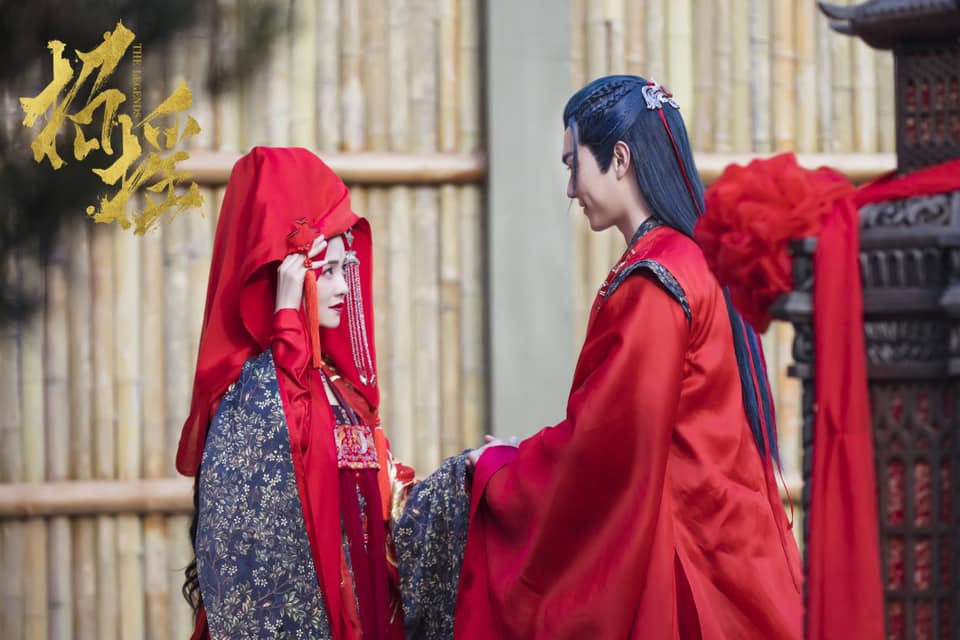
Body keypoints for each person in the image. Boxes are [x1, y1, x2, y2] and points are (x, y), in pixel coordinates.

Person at [396, 75, 803, 639]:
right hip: (726, 538)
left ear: (620, 158)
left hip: (682, 557)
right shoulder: (690, 259)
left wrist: (504, 468)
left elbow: (609, 445)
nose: (570, 189)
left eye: (574, 166)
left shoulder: (655, 279)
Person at [177, 147, 412, 640]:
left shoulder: (338, 389)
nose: (344, 288)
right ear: (288, 274)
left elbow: (380, 502)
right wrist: (286, 325)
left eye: (344, 269)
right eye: (327, 272)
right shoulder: (249, 400)